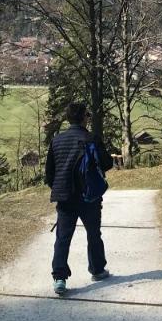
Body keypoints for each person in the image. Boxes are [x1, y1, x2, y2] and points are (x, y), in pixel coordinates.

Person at [44, 101, 114, 296]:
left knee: (63, 238)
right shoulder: (92, 139)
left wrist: (57, 187)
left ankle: (59, 278)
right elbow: (107, 163)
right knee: (93, 234)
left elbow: (49, 172)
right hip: (89, 196)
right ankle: (98, 270)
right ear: (84, 117)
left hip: (65, 196)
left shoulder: (57, 140)